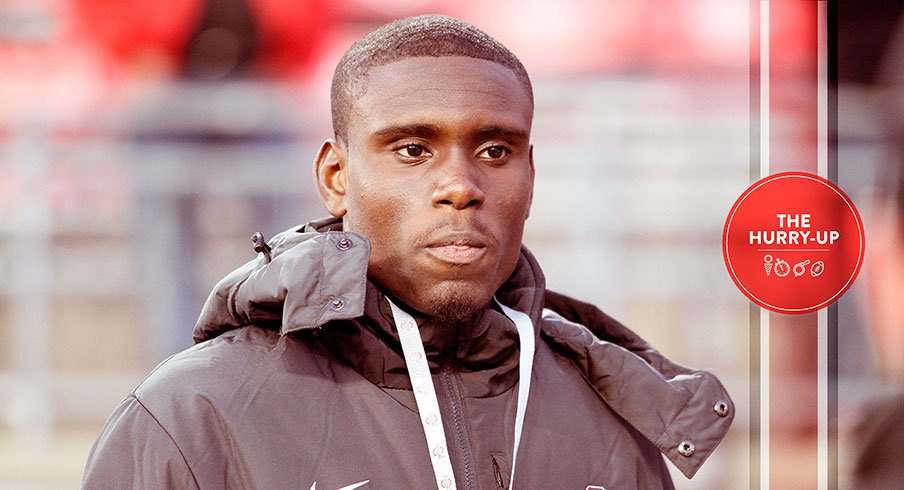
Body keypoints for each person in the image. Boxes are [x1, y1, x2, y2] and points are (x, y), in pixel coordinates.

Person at [82, 14, 733, 489]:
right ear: (336, 179)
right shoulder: (190, 417)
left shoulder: (610, 418)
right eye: (412, 150)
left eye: (495, 151)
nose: (460, 186)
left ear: (532, 176)